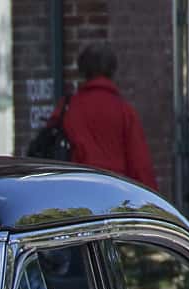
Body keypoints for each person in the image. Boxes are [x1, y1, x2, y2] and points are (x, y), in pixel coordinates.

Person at [58, 43, 156, 189]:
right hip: (115, 190)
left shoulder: (67, 107)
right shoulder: (124, 111)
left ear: (83, 70)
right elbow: (139, 164)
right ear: (112, 70)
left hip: (76, 188)